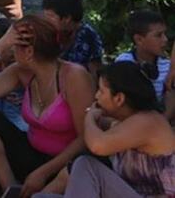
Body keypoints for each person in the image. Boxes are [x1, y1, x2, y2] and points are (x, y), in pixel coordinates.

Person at [0, 15, 94, 197]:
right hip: (31, 153)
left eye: (14, 47)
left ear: (29, 52)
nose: (12, 51)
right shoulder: (20, 72)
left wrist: (43, 172)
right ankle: (10, 187)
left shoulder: (73, 76)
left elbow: (85, 138)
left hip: (64, 163)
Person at [42, 62, 175, 197]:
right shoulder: (129, 122)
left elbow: (97, 145)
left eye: (101, 91)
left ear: (119, 98)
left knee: (86, 165)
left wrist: (90, 116)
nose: (96, 96)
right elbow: (107, 126)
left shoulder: (147, 121)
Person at [115, 11, 172, 113]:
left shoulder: (169, 67)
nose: (165, 39)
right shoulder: (123, 63)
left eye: (165, 34)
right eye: (158, 35)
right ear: (139, 39)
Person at [42, 0, 103, 76]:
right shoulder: (48, 32)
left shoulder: (88, 36)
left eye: (51, 16)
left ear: (67, 18)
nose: (46, 20)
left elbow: (94, 71)